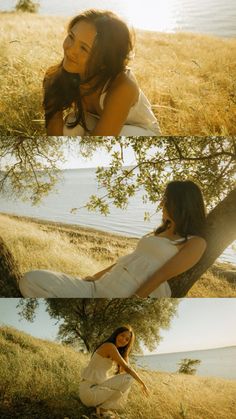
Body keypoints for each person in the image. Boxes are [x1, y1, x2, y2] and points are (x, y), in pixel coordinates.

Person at [19, 180, 207, 298]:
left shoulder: (195, 242)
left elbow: (160, 276)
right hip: (98, 287)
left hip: (123, 295)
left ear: (182, 205)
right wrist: (93, 278)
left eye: (166, 200)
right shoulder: (161, 232)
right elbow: (129, 259)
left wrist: (132, 301)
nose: (161, 204)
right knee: (31, 279)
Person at [43, 9, 160, 137]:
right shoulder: (54, 77)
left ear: (104, 61)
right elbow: (54, 136)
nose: (70, 50)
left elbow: (101, 146)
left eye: (83, 48)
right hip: (97, 123)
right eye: (71, 37)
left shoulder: (123, 86)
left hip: (140, 132)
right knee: (72, 124)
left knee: (118, 136)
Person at [79, 325, 148, 418]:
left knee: (126, 378)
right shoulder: (109, 346)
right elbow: (128, 369)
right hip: (89, 393)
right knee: (128, 378)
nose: (123, 340)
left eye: (127, 340)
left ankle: (101, 409)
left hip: (94, 390)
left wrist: (125, 353)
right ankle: (102, 410)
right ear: (116, 334)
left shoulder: (113, 348)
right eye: (122, 335)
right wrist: (142, 383)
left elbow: (125, 369)